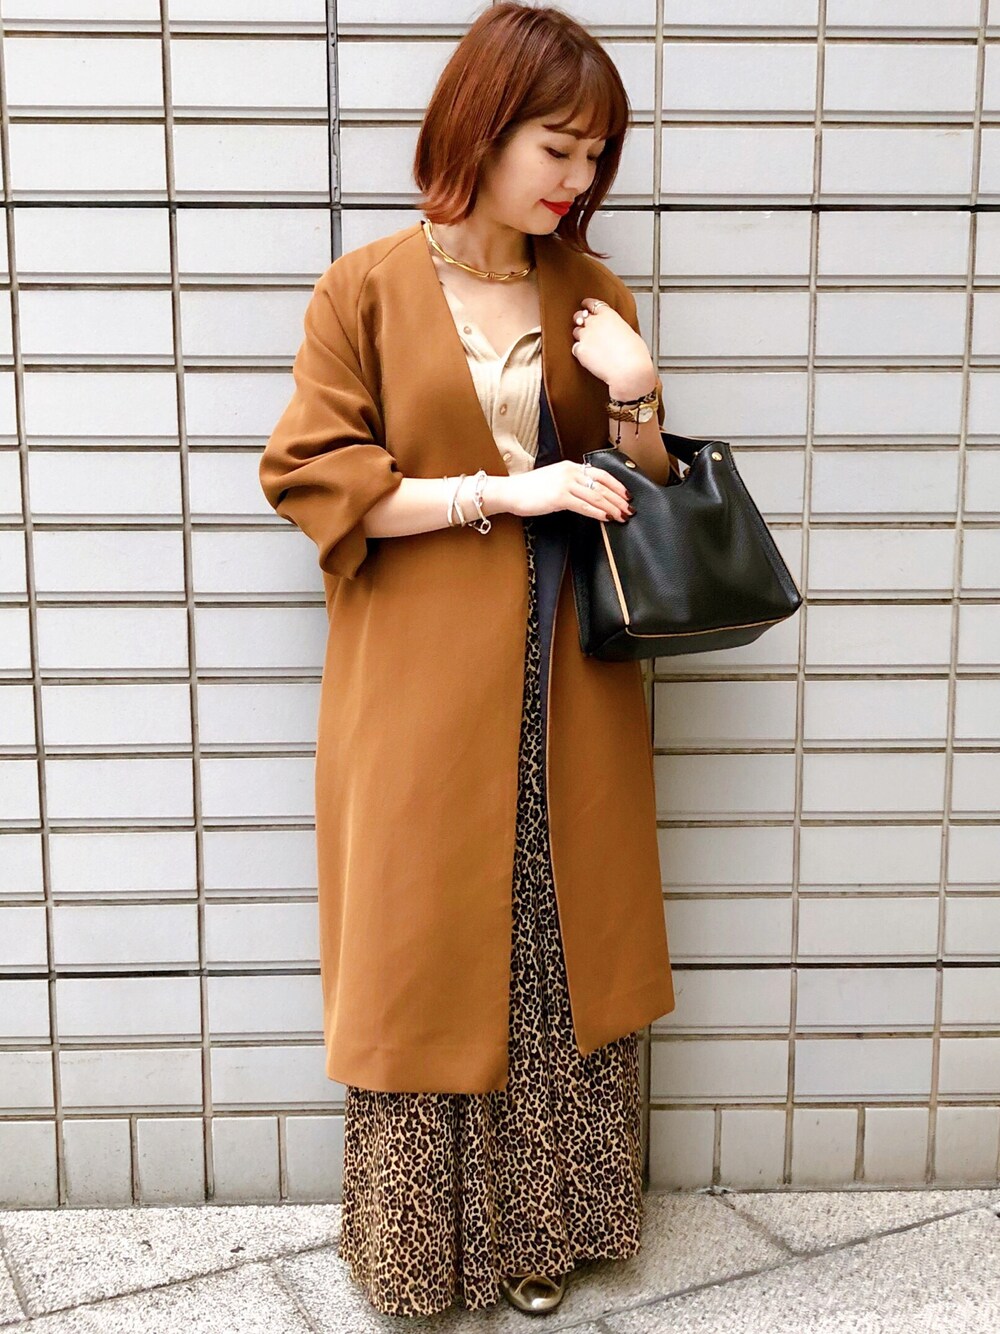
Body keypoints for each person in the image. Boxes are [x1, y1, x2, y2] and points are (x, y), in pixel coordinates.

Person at [259, 2, 679, 1319]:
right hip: (421, 673)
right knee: (428, 942)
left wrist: (638, 394)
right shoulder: (367, 288)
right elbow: (319, 482)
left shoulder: (590, 292)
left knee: (556, 940)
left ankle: (548, 1231)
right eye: (558, 146)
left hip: (572, 668)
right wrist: (505, 491)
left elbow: (648, 499)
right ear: (481, 131)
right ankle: (424, 1249)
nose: (577, 177)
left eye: (595, 155)